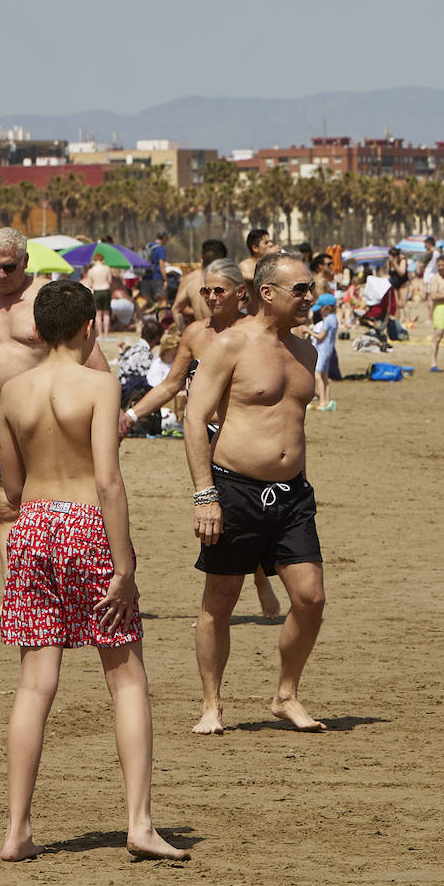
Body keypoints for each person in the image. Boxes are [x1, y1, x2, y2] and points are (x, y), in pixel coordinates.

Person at [0, 279, 186, 862]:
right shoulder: (100, 384)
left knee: (34, 684)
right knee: (125, 677)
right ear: (90, 327)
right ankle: (139, 822)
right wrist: (124, 565)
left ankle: (17, 830)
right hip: (83, 524)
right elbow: (108, 479)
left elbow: (8, 485)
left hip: (31, 526)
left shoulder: (12, 389)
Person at [184, 251, 326, 735]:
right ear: (267, 293)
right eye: (300, 289)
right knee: (219, 601)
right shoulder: (231, 345)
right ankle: (212, 705)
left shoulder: (306, 351)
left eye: (311, 288)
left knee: (310, 599)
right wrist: (205, 494)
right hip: (235, 489)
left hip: (293, 496)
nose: (311, 296)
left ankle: (286, 694)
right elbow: (193, 417)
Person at [0, 227, 110, 622]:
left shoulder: (46, 299)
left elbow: (90, 354)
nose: (1, 276)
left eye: (8, 267)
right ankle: (16, 596)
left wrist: (110, 414)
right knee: (8, 510)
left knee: (67, 504)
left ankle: (82, 587)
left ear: (25, 262)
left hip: (49, 416)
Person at [124, 260, 285, 618]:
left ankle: (255, 580)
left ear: (239, 293)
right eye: (206, 291)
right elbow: (170, 384)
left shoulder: (254, 332)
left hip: (243, 438)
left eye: (219, 291)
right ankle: (219, 607)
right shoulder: (196, 334)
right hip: (205, 437)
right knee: (219, 519)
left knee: (247, 517)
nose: (211, 297)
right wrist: (130, 416)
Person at [172, 239, 228, 329]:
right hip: (221, 333)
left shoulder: (191, 282)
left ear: (202, 258)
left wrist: (184, 333)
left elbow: (176, 309)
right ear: (224, 261)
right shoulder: (227, 281)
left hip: (199, 333)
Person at [83, 251, 113, 338]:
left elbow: (90, 283)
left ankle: (100, 334)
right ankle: (106, 334)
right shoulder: (107, 268)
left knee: (98, 315)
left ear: (94, 260)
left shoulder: (91, 271)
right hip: (106, 290)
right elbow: (110, 281)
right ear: (102, 260)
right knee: (107, 313)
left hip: (97, 290)